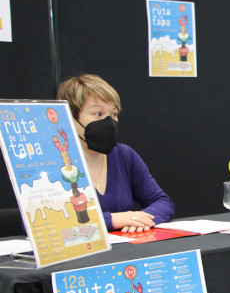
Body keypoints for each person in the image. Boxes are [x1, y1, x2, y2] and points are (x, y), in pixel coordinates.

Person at [57, 74, 175, 232]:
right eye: (98, 114)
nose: (109, 122)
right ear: (70, 118)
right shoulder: (54, 162)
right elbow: (46, 223)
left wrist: (139, 219)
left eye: (113, 114)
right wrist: (112, 219)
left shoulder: (124, 155)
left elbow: (163, 202)